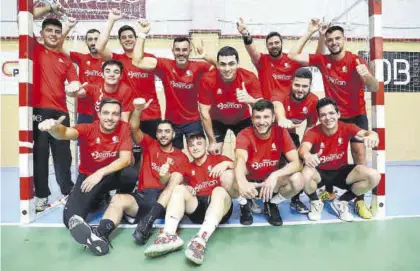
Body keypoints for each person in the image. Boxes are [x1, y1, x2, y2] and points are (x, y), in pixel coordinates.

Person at [67, 98, 189, 256]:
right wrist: (137, 110)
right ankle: (99, 235)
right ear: (156, 134)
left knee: (176, 179)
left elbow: (181, 185)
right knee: (118, 199)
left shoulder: (182, 157)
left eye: (167, 131)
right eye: (160, 131)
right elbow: (133, 127)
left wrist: (165, 176)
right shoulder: (150, 144)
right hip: (143, 198)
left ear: (173, 135)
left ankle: (147, 223)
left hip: (164, 202)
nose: (163, 135)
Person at [288, 23, 379, 219]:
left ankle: (358, 201)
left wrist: (368, 77)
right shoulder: (323, 59)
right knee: (323, 153)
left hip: (355, 114)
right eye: (330, 40)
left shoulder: (355, 61)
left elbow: (374, 88)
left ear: (344, 39)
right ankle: (325, 191)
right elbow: (292, 55)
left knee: (359, 157)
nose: (333, 42)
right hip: (332, 115)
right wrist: (312, 31)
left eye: (337, 38)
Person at [38, 98, 136, 245]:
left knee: (131, 173)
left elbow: (125, 159)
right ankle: (99, 199)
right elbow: (65, 133)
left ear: (120, 115)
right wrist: (54, 129)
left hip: (110, 174)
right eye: (106, 113)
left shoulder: (124, 128)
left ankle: (119, 200)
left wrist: (100, 173)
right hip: (88, 177)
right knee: (70, 219)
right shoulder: (87, 128)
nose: (110, 118)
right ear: (99, 114)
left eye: (115, 114)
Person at [143, 131, 235, 264]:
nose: (195, 147)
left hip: (220, 207)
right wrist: (185, 186)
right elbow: (169, 182)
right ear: (188, 149)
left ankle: (200, 241)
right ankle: (169, 235)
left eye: (199, 143)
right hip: (198, 208)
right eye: (192, 145)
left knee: (219, 190)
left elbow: (241, 169)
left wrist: (227, 164)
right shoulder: (187, 167)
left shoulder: (219, 159)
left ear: (206, 145)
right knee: (179, 189)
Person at [31, 6, 84, 211]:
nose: (53, 34)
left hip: (61, 113)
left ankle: (67, 191)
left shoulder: (67, 61)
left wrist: (74, 86)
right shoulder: (35, 49)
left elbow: (75, 83)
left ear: (61, 35)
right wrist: (50, 8)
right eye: (49, 31)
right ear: (42, 34)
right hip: (39, 111)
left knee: (64, 156)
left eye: (56, 31)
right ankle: (42, 196)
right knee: (41, 155)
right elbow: (25, 19)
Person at [132, 20, 213, 149]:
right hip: (172, 123)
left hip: (193, 121)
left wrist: (205, 56)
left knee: (199, 153)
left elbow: (221, 69)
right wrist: (142, 34)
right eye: (178, 50)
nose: (181, 53)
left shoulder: (198, 67)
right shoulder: (165, 66)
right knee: (174, 156)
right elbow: (137, 61)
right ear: (173, 51)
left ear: (189, 51)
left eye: (184, 50)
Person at [298, 97, 380, 221]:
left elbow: (365, 133)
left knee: (374, 176)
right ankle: (315, 202)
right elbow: (303, 148)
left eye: (331, 113)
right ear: (319, 118)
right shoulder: (313, 132)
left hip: (341, 172)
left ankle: (341, 202)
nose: (328, 118)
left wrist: (373, 134)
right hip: (320, 173)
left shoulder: (347, 127)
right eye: (323, 115)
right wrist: (307, 155)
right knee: (305, 174)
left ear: (338, 114)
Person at [235, 100, 304, 226]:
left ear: (273, 118)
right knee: (228, 177)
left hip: (271, 183)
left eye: (266, 117)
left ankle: (272, 203)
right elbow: (240, 159)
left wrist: (275, 175)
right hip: (251, 183)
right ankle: (244, 204)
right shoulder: (244, 134)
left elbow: (297, 163)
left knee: (298, 179)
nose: (261, 122)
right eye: (257, 117)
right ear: (252, 118)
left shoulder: (281, 132)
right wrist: (242, 182)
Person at [96, 9, 161, 138]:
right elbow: (99, 47)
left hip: (151, 113)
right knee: (131, 154)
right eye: (123, 37)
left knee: (152, 153)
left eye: (130, 36)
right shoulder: (117, 60)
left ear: (136, 39)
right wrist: (111, 20)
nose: (127, 39)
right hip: (128, 115)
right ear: (120, 41)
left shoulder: (148, 58)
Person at [236, 18, 323, 99]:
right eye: (270, 44)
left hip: (288, 110)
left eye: (276, 42)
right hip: (268, 110)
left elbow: (317, 59)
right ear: (267, 46)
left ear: (282, 43)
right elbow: (252, 50)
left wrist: (312, 32)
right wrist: (245, 33)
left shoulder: (292, 59)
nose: (274, 46)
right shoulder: (262, 60)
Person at [198, 46, 263, 155]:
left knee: (248, 152)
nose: (227, 69)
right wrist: (212, 141)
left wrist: (250, 100)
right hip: (217, 120)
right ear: (217, 65)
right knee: (215, 152)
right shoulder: (207, 79)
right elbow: (204, 113)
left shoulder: (249, 77)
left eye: (231, 64)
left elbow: (262, 107)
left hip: (242, 119)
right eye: (223, 64)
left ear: (238, 64)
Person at [271, 67, 319, 214]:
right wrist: (282, 119)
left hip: (291, 136)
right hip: (272, 135)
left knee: (299, 166)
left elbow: (311, 125)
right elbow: (277, 106)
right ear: (291, 83)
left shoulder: (313, 100)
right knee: (275, 168)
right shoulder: (280, 93)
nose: (300, 89)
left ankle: (296, 200)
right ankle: (269, 199)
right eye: (297, 85)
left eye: (304, 86)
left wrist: (305, 146)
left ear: (310, 86)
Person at [60, 23, 104, 124]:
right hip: (85, 112)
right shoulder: (82, 58)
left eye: (96, 39)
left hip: (105, 111)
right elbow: (59, 47)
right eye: (90, 39)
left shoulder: (110, 60)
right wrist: (68, 27)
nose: (93, 42)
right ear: (86, 42)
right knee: (82, 139)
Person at [65, 59, 134, 123]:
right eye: (107, 71)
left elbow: (124, 120)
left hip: (116, 127)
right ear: (102, 75)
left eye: (116, 72)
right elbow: (76, 93)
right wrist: (71, 90)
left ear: (121, 76)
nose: (112, 75)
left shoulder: (126, 90)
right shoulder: (95, 87)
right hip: (97, 128)